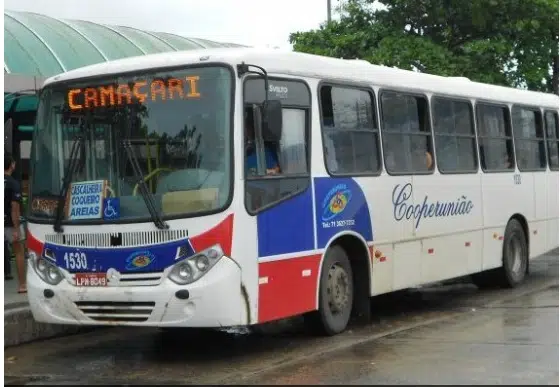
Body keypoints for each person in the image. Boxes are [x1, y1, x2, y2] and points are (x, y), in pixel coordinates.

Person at [4, 153, 26, 293]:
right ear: (12, 164)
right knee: (18, 252)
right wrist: (17, 228)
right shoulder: (13, 183)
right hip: (9, 224)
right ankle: (22, 285)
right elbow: (15, 208)